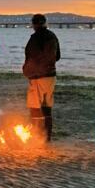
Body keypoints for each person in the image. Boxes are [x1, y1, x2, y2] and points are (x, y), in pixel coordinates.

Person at [23, 13, 61, 141]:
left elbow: (30, 56)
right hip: (50, 75)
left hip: (37, 76)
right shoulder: (52, 36)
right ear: (45, 23)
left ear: (34, 25)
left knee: (35, 105)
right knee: (47, 105)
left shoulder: (34, 38)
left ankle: (37, 135)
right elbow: (57, 56)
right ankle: (47, 136)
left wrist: (28, 70)